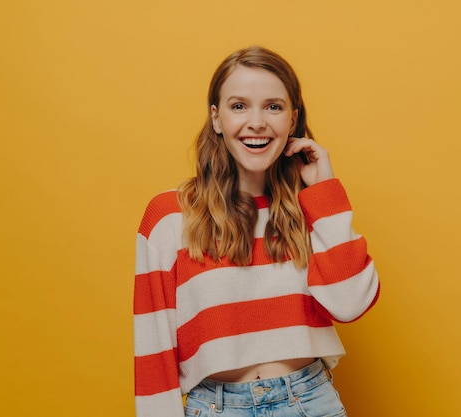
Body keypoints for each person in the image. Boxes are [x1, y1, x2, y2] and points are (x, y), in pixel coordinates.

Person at [134, 46, 380, 417]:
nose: (257, 122)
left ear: (293, 119)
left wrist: (324, 192)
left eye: (273, 106)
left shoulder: (310, 206)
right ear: (216, 118)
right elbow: (153, 351)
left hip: (310, 403)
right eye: (238, 106)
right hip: (216, 407)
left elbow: (350, 304)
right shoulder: (170, 216)